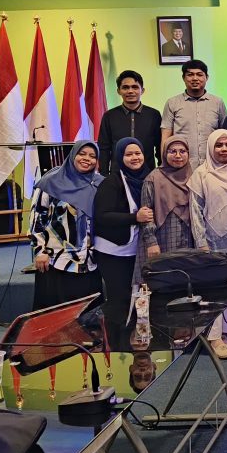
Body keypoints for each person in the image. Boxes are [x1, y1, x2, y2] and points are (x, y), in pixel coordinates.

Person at [189, 129, 227, 359]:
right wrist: (201, 242)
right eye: (219, 145)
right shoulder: (201, 174)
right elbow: (196, 211)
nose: (224, 149)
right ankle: (214, 337)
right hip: (211, 243)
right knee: (214, 291)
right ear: (211, 148)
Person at [29, 140, 103, 309]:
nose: (87, 159)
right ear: (73, 155)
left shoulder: (99, 184)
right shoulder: (50, 182)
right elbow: (36, 218)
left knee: (88, 313)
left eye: (92, 156)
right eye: (82, 154)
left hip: (89, 261)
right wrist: (40, 251)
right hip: (58, 260)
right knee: (58, 312)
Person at [93, 138, 152, 322]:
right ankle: (117, 337)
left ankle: (136, 336)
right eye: (128, 154)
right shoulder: (111, 182)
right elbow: (102, 216)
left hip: (137, 251)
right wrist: (134, 218)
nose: (135, 158)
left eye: (138, 153)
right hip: (113, 252)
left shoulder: (149, 178)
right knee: (120, 301)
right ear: (120, 157)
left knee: (139, 300)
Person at [138, 135, 194, 279]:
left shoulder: (194, 176)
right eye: (172, 151)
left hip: (189, 240)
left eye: (182, 151)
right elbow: (146, 214)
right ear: (164, 153)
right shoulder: (153, 178)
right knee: (163, 280)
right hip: (163, 239)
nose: (178, 156)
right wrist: (151, 242)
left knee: (186, 280)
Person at [161, 59, 227, 168]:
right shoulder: (172, 103)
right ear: (183, 78)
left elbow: (224, 135)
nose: (195, 78)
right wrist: (165, 165)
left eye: (199, 74)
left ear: (207, 77)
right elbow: (165, 137)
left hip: (212, 166)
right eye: (190, 75)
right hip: (181, 166)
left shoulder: (218, 102)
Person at [96, 70, 162, 175]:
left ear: (142, 90)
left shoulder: (154, 115)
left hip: (147, 174)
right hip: (118, 175)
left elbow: (159, 147)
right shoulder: (109, 116)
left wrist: (162, 173)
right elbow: (104, 148)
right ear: (119, 91)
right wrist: (104, 175)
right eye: (125, 87)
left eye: (135, 87)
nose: (130, 91)